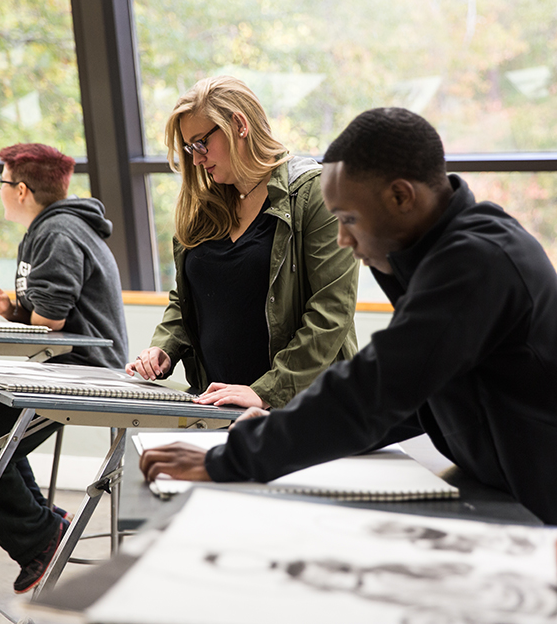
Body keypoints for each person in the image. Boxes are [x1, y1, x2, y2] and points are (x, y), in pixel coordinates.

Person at [140, 107, 557, 526]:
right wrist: (282, 426)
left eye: (348, 219)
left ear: (401, 197)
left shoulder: (476, 262)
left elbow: (379, 387)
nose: (342, 239)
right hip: (504, 487)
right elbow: (414, 393)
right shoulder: (433, 258)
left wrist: (228, 458)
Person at [0, 143, 128, 593]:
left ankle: (41, 540)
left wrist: (22, 315)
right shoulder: (50, 229)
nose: (1, 191)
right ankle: (47, 525)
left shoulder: (59, 233)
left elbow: (50, 321)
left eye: (2, 183)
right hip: (62, 364)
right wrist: (12, 311)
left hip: (86, 372)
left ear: (22, 189)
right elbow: (46, 316)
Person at [126, 75, 359, 410]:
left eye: (201, 143)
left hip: (300, 412)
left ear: (238, 124)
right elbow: (187, 299)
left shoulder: (315, 194)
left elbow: (331, 314)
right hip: (216, 408)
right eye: (190, 148)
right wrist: (166, 346)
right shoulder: (206, 205)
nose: (196, 159)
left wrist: (267, 391)